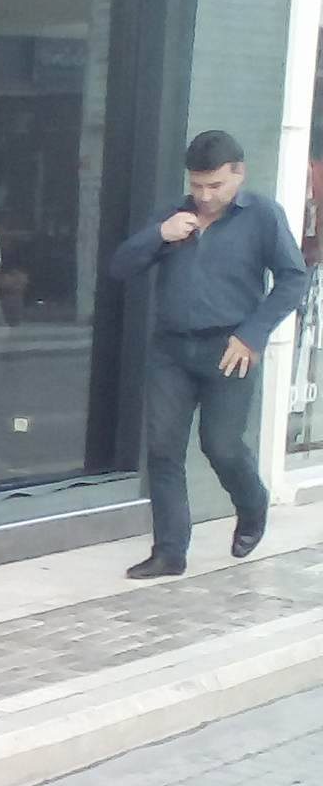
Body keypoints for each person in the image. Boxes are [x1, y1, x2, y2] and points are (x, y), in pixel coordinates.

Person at [110, 129, 305, 579]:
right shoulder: (174, 215)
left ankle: (252, 504)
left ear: (239, 174)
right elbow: (121, 267)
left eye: (215, 185)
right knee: (163, 449)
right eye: (197, 185)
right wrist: (159, 235)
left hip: (230, 348)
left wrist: (252, 335)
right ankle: (169, 551)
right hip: (171, 348)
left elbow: (293, 279)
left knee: (221, 445)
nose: (205, 195)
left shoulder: (263, 216)